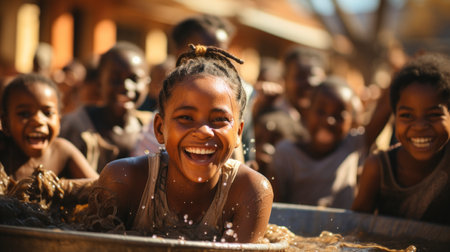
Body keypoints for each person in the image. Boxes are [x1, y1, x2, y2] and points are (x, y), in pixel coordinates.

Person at [91, 45, 273, 243]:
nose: (204, 132)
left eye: (219, 119)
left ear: (238, 133)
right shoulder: (125, 180)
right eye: (186, 117)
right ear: (160, 129)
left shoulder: (250, 192)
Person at [352, 53, 450, 225]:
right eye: (407, 115)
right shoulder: (379, 168)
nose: (419, 126)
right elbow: (354, 230)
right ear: (394, 117)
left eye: (434, 115)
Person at [270, 76, 391, 209]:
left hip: (342, 230)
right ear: (306, 112)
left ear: (352, 121)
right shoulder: (286, 153)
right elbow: (275, 208)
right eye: (321, 112)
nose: (329, 121)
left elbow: (384, 108)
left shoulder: (352, 146)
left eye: (339, 116)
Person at [59, 42, 152, 172]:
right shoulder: (74, 127)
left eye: (134, 79)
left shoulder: (151, 129)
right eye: (115, 79)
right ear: (99, 83)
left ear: (147, 83)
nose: (126, 86)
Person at [0, 73, 98, 182]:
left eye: (47, 113)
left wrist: (62, 187)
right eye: (24, 114)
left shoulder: (61, 152)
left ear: (59, 121)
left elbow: (102, 187)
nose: (38, 121)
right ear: (6, 124)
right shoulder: (3, 151)